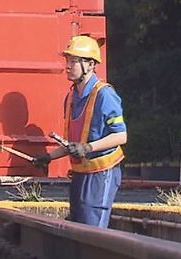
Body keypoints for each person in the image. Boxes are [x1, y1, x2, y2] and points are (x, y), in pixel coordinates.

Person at [32, 35, 127, 227]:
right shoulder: (71, 97)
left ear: (91, 65)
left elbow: (121, 136)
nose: (68, 66)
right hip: (80, 175)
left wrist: (87, 147)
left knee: (93, 231)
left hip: (101, 173)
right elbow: (72, 145)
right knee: (78, 228)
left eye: (74, 61)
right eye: (67, 60)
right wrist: (49, 157)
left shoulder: (105, 95)